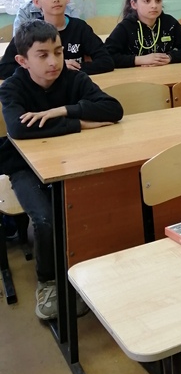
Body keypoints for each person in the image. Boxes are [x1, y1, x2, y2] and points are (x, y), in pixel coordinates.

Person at [0, 20, 123, 319]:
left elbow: (113, 109)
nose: (54, 61)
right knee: (45, 219)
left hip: (73, 160)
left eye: (58, 51)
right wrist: (79, 122)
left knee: (97, 205)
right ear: (22, 60)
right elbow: (19, 128)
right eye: (42, 55)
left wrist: (63, 110)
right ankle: (48, 281)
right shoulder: (13, 86)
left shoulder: (72, 78)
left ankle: (90, 269)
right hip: (24, 167)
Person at [0, 0, 113, 79]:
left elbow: (106, 61)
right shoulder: (29, 31)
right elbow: (4, 69)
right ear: (36, 2)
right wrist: (58, 68)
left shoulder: (80, 27)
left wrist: (75, 68)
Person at [104, 0, 181, 68]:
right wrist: (139, 60)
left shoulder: (169, 23)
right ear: (134, 4)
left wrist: (169, 57)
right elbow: (107, 56)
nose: (154, 6)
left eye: (158, 1)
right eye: (147, 1)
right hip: (135, 79)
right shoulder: (125, 27)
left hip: (165, 74)